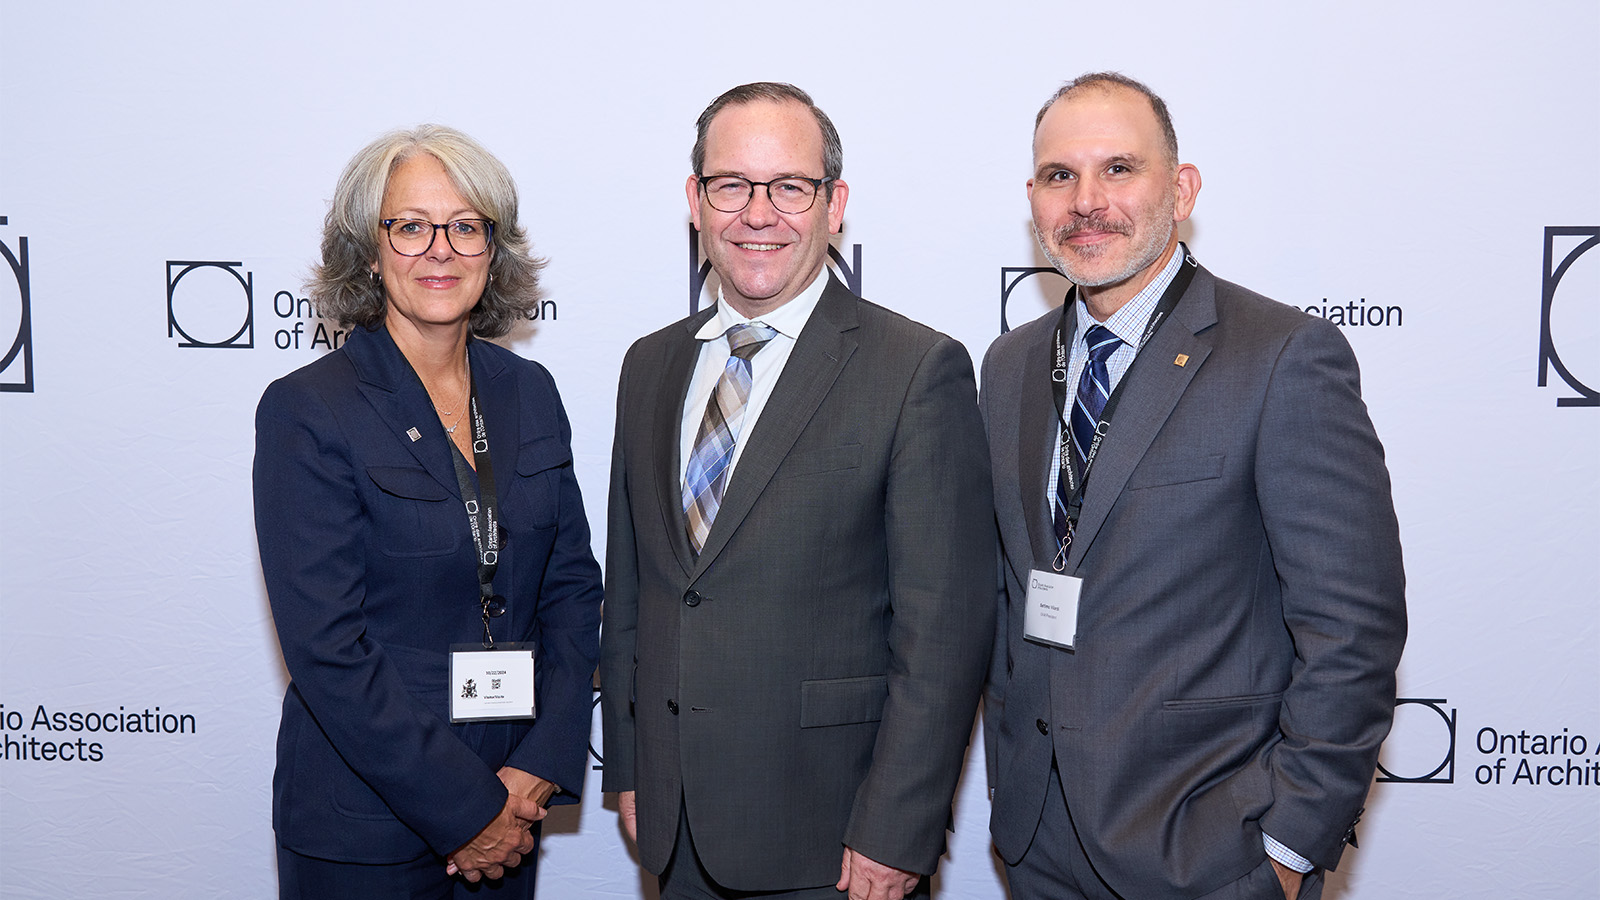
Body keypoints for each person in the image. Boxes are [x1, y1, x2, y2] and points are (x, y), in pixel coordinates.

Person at [981, 73, 1407, 900]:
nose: (1086, 201)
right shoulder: (1011, 365)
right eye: (1060, 176)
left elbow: (1353, 628)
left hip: (1210, 850)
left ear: (1181, 190)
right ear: (1032, 198)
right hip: (1039, 844)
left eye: (1119, 169)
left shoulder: (1283, 358)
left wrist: (1287, 848)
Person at [599, 82, 995, 900]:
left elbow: (944, 633)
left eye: (789, 187)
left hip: (837, 844)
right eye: (731, 185)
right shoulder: (650, 365)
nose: (757, 213)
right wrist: (632, 767)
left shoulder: (915, 369)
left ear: (834, 204)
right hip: (677, 829)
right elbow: (633, 587)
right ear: (695, 201)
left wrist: (897, 828)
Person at [254, 124, 603, 898]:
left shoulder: (528, 392)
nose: (439, 250)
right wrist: (468, 811)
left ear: (493, 249)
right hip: (366, 822)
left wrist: (543, 761)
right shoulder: (309, 410)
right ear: (368, 250)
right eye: (410, 227)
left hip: (515, 797)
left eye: (465, 226)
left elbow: (573, 590)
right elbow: (327, 649)